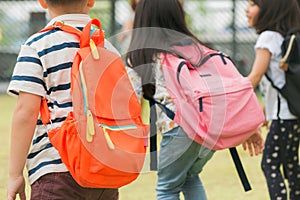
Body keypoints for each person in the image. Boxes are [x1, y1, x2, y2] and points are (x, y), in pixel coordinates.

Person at [126, 0, 264, 199]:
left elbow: (130, 99)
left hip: (178, 128)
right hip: (209, 127)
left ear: (143, 18)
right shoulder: (198, 48)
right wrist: (248, 126)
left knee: (167, 188)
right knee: (190, 177)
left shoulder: (142, 55)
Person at [6, 0, 119, 199]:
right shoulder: (107, 48)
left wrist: (15, 174)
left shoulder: (37, 46)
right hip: (102, 170)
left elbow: (26, 112)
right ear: (91, 1)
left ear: (42, 2)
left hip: (54, 169)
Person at [245, 0, 300, 199]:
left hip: (282, 117)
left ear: (269, 8)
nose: (247, 10)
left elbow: (255, 77)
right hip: (293, 114)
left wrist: (229, 95)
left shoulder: (267, 37)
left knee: (270, 165)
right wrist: (265, 110)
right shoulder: (285, 36)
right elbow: (277, 81)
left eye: (252, 4)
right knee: (291, 165)